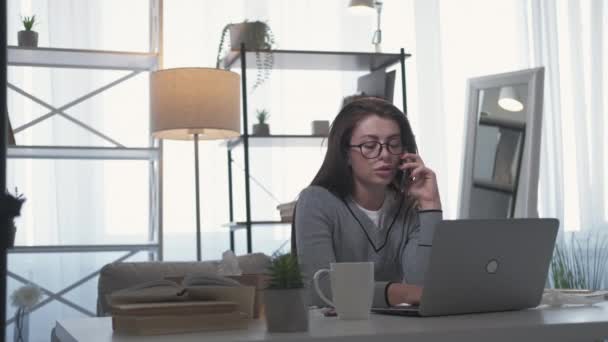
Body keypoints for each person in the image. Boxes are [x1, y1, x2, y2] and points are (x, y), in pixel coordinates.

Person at [294, 97, 442, 308]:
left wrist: (431, 205)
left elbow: (423, 286)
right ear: (345, 153)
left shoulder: (408, 206)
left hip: (391, 329)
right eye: (370, 146)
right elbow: (321, 290)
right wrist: (397, 293)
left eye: (394, 144)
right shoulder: (316, 201)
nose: (385, 155)